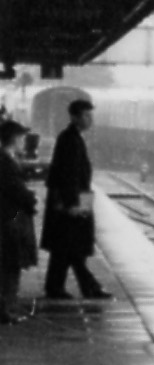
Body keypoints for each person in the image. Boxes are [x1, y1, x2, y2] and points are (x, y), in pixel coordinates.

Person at [41, 98, 108, 302]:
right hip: (72, 202)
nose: (90, 119)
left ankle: (66, 287)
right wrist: (72, 205)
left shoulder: (72, 137)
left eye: (91, 115)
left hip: (76, 199)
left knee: (69, 248)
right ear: (74, 117)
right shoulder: (70, 140)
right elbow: (68, 175)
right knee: (71, 247)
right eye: (86, 115)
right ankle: (83, 287)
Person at [0, 119, 36, 323]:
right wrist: (29, 198)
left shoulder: (8, 158)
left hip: (10, 217)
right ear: (14, 138)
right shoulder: (5, 160)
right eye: (22, 136)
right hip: (10, 219)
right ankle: (6, 310)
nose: (24, 140)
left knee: (10, 264)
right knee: (10, 265)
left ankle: (7, 307)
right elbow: (14, 189)